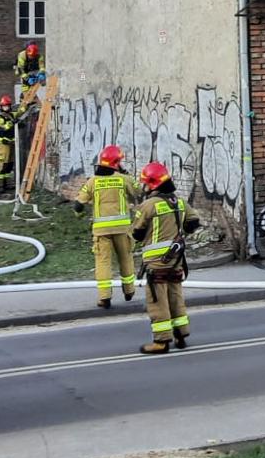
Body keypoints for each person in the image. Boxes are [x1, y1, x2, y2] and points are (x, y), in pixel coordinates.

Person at [130, 162, 201, 355]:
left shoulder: (148, 206)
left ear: (152, 184)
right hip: (176, 260)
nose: (144, 186)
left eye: (145, 183)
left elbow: (136, 233)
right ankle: (181, 334)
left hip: (156, 263)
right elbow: (193, 222)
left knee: (157, 300)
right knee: (175, 296)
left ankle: (161, 342)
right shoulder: (179, 202)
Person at [74, 144, 141, 309]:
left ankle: (104, 297)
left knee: (103, 262)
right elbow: (139, 191)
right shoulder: (123, 179)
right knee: (126, 259)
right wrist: (126, 175)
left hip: (101, 231)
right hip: (123, 230)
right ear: (116, 162)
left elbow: (78, 205)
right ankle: (129, 291)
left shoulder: (92, 182)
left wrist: (80, 216)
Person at [0, 95, 20, 193]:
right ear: (1, 107)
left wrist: (26, 105)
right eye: (4, 106)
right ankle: (0, 185)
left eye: (8, 106)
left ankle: (8, 184)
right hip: (3, 143)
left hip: (11, 142)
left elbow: (20, 113)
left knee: (9, 164)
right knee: (3, 164)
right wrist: (11, 123)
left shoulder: (11, 115)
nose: (6, 107)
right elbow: (2, 129)